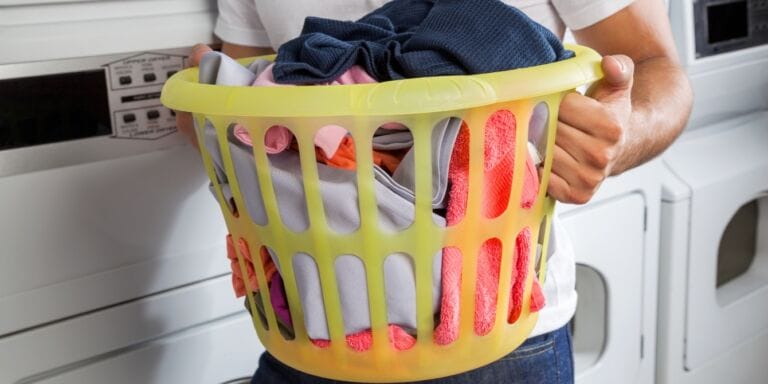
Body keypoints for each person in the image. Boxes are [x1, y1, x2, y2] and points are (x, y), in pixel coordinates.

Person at [177, 0, 692, 383]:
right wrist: (205, 108)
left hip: (497, 336)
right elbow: (244, 112)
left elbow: (656, 65)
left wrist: (618, 137)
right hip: (312, 326)